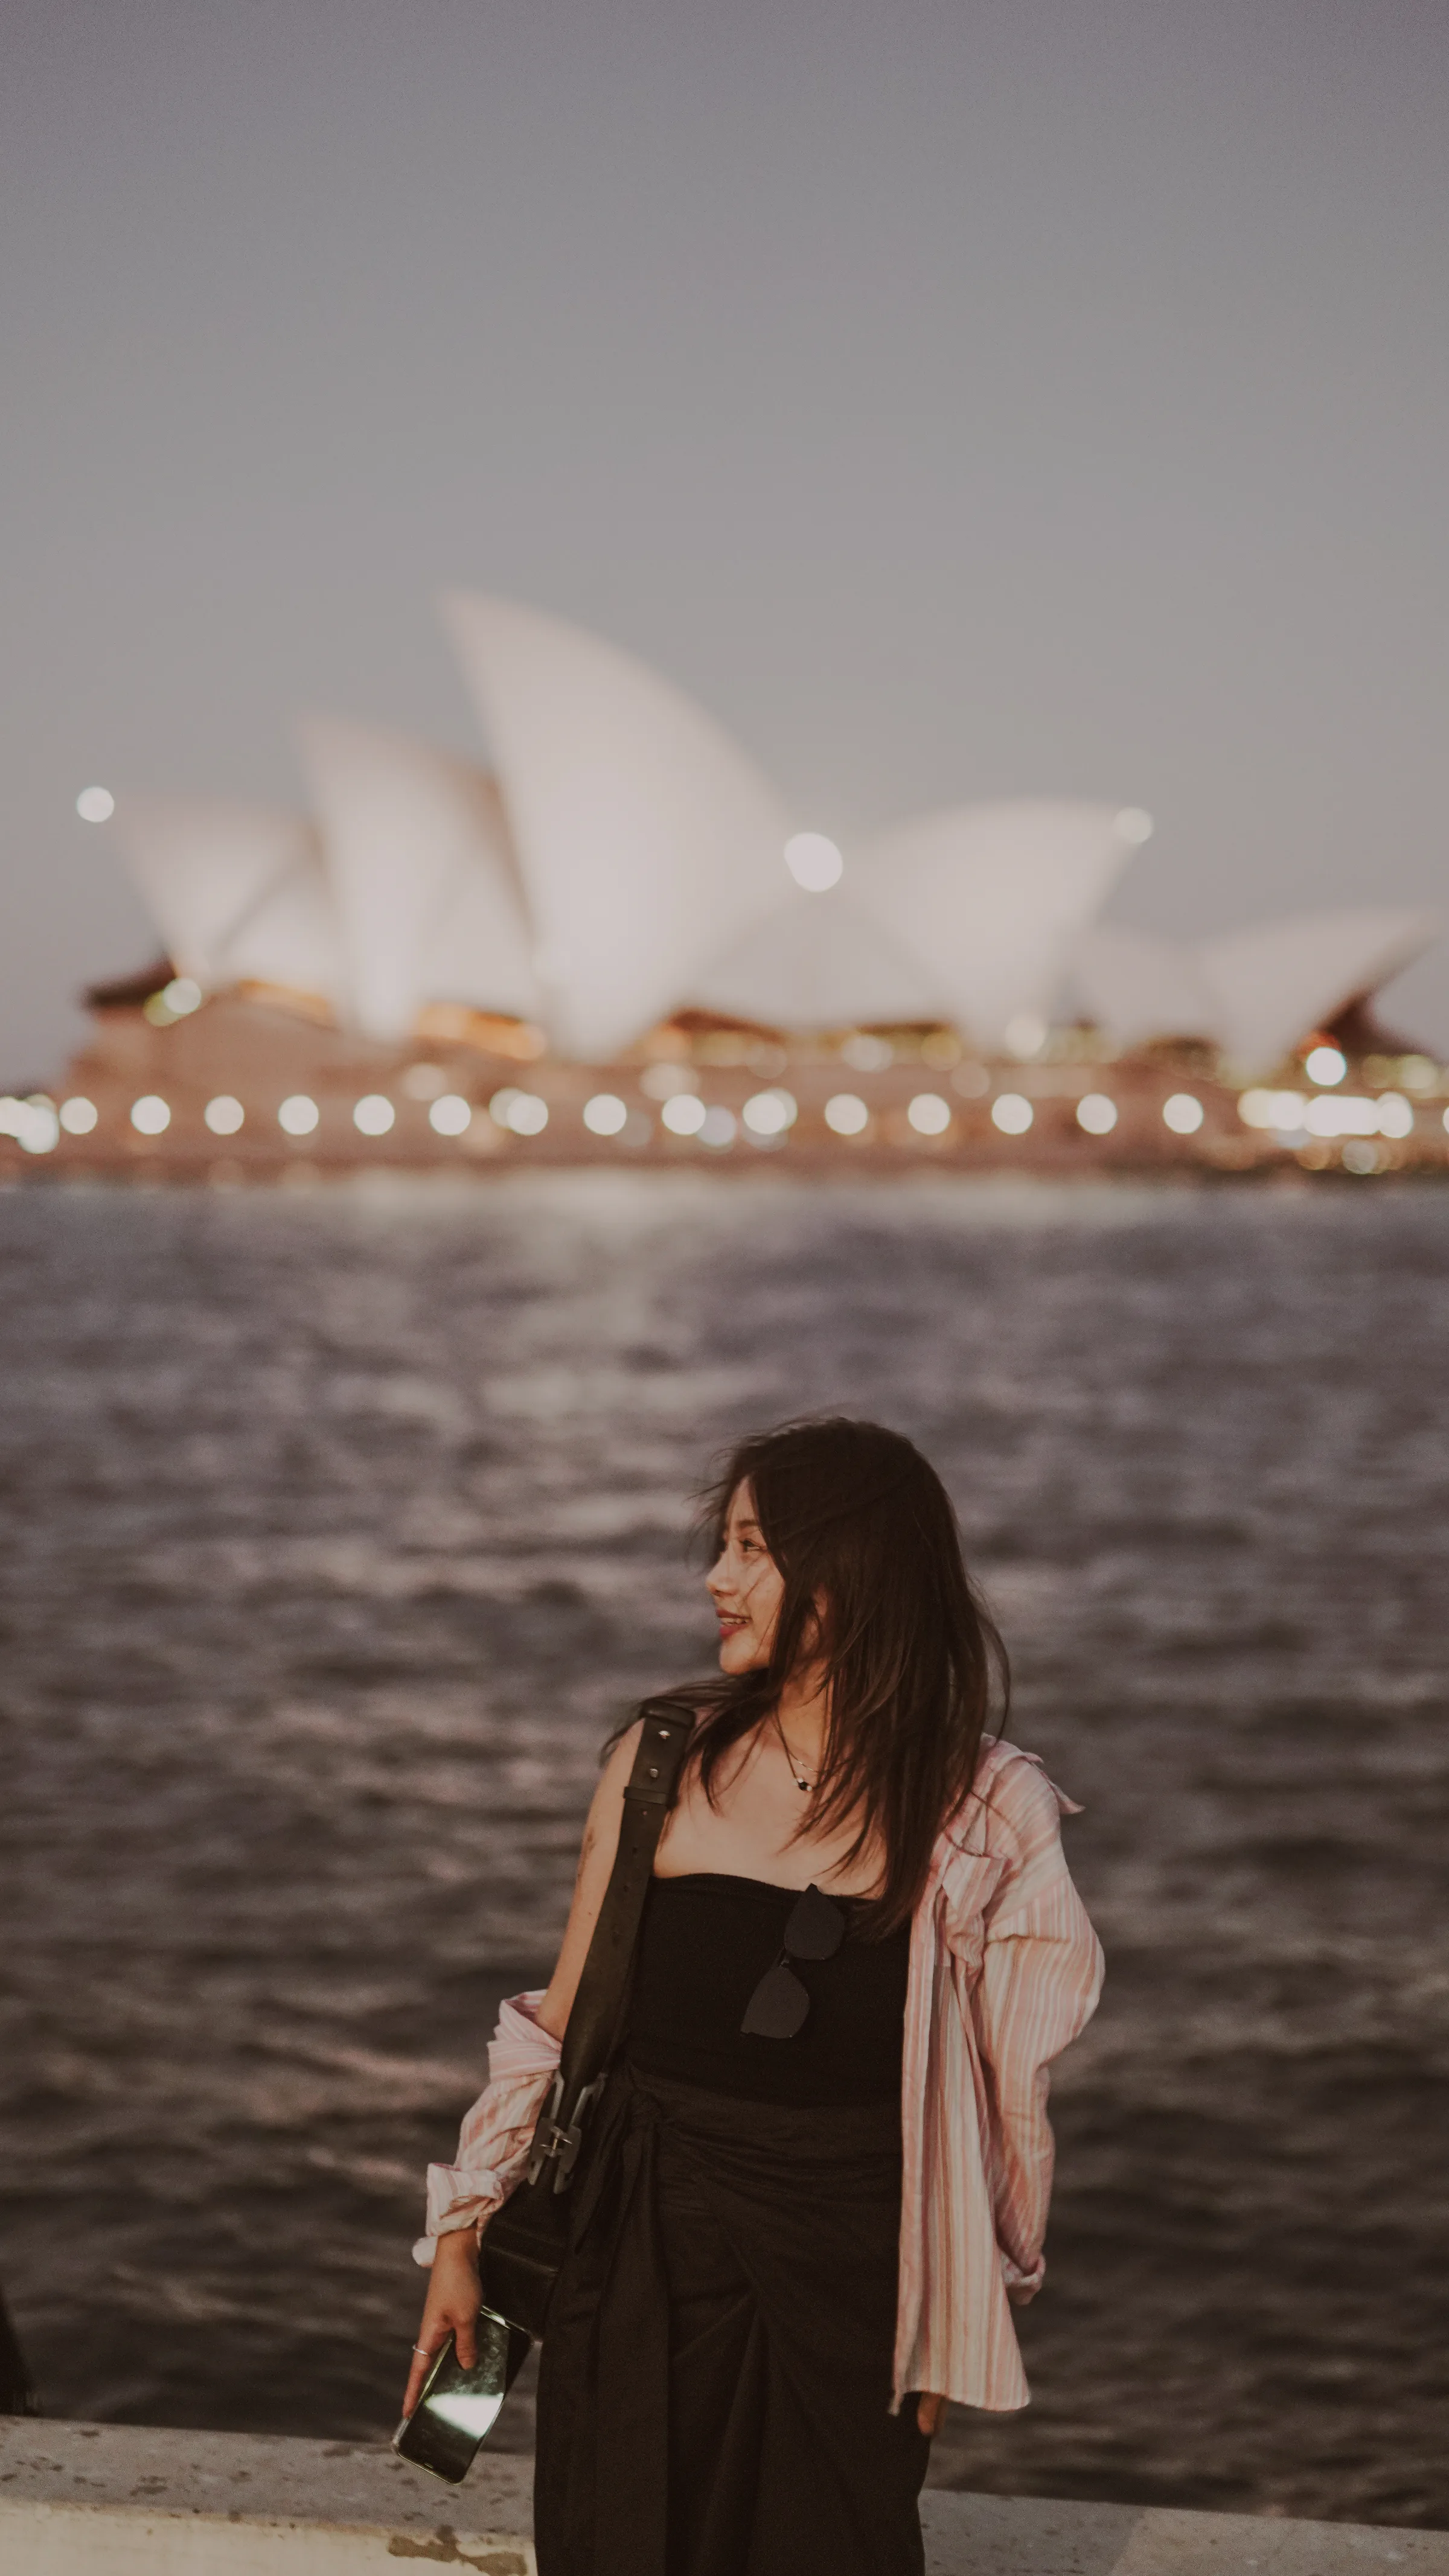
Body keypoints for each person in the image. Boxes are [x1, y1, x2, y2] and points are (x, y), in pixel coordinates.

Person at [405, 1417, 1103, 2576]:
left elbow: (1005, 2091)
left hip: (854, 2292)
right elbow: (561, 2027)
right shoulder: (660, 1760)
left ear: (850, 1573)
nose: (717, 1579)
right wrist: (463, 2228)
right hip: (636, 2257)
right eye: (723, 1546)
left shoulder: (984, 1805)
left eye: (749, 1549)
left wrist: (963, 2319)